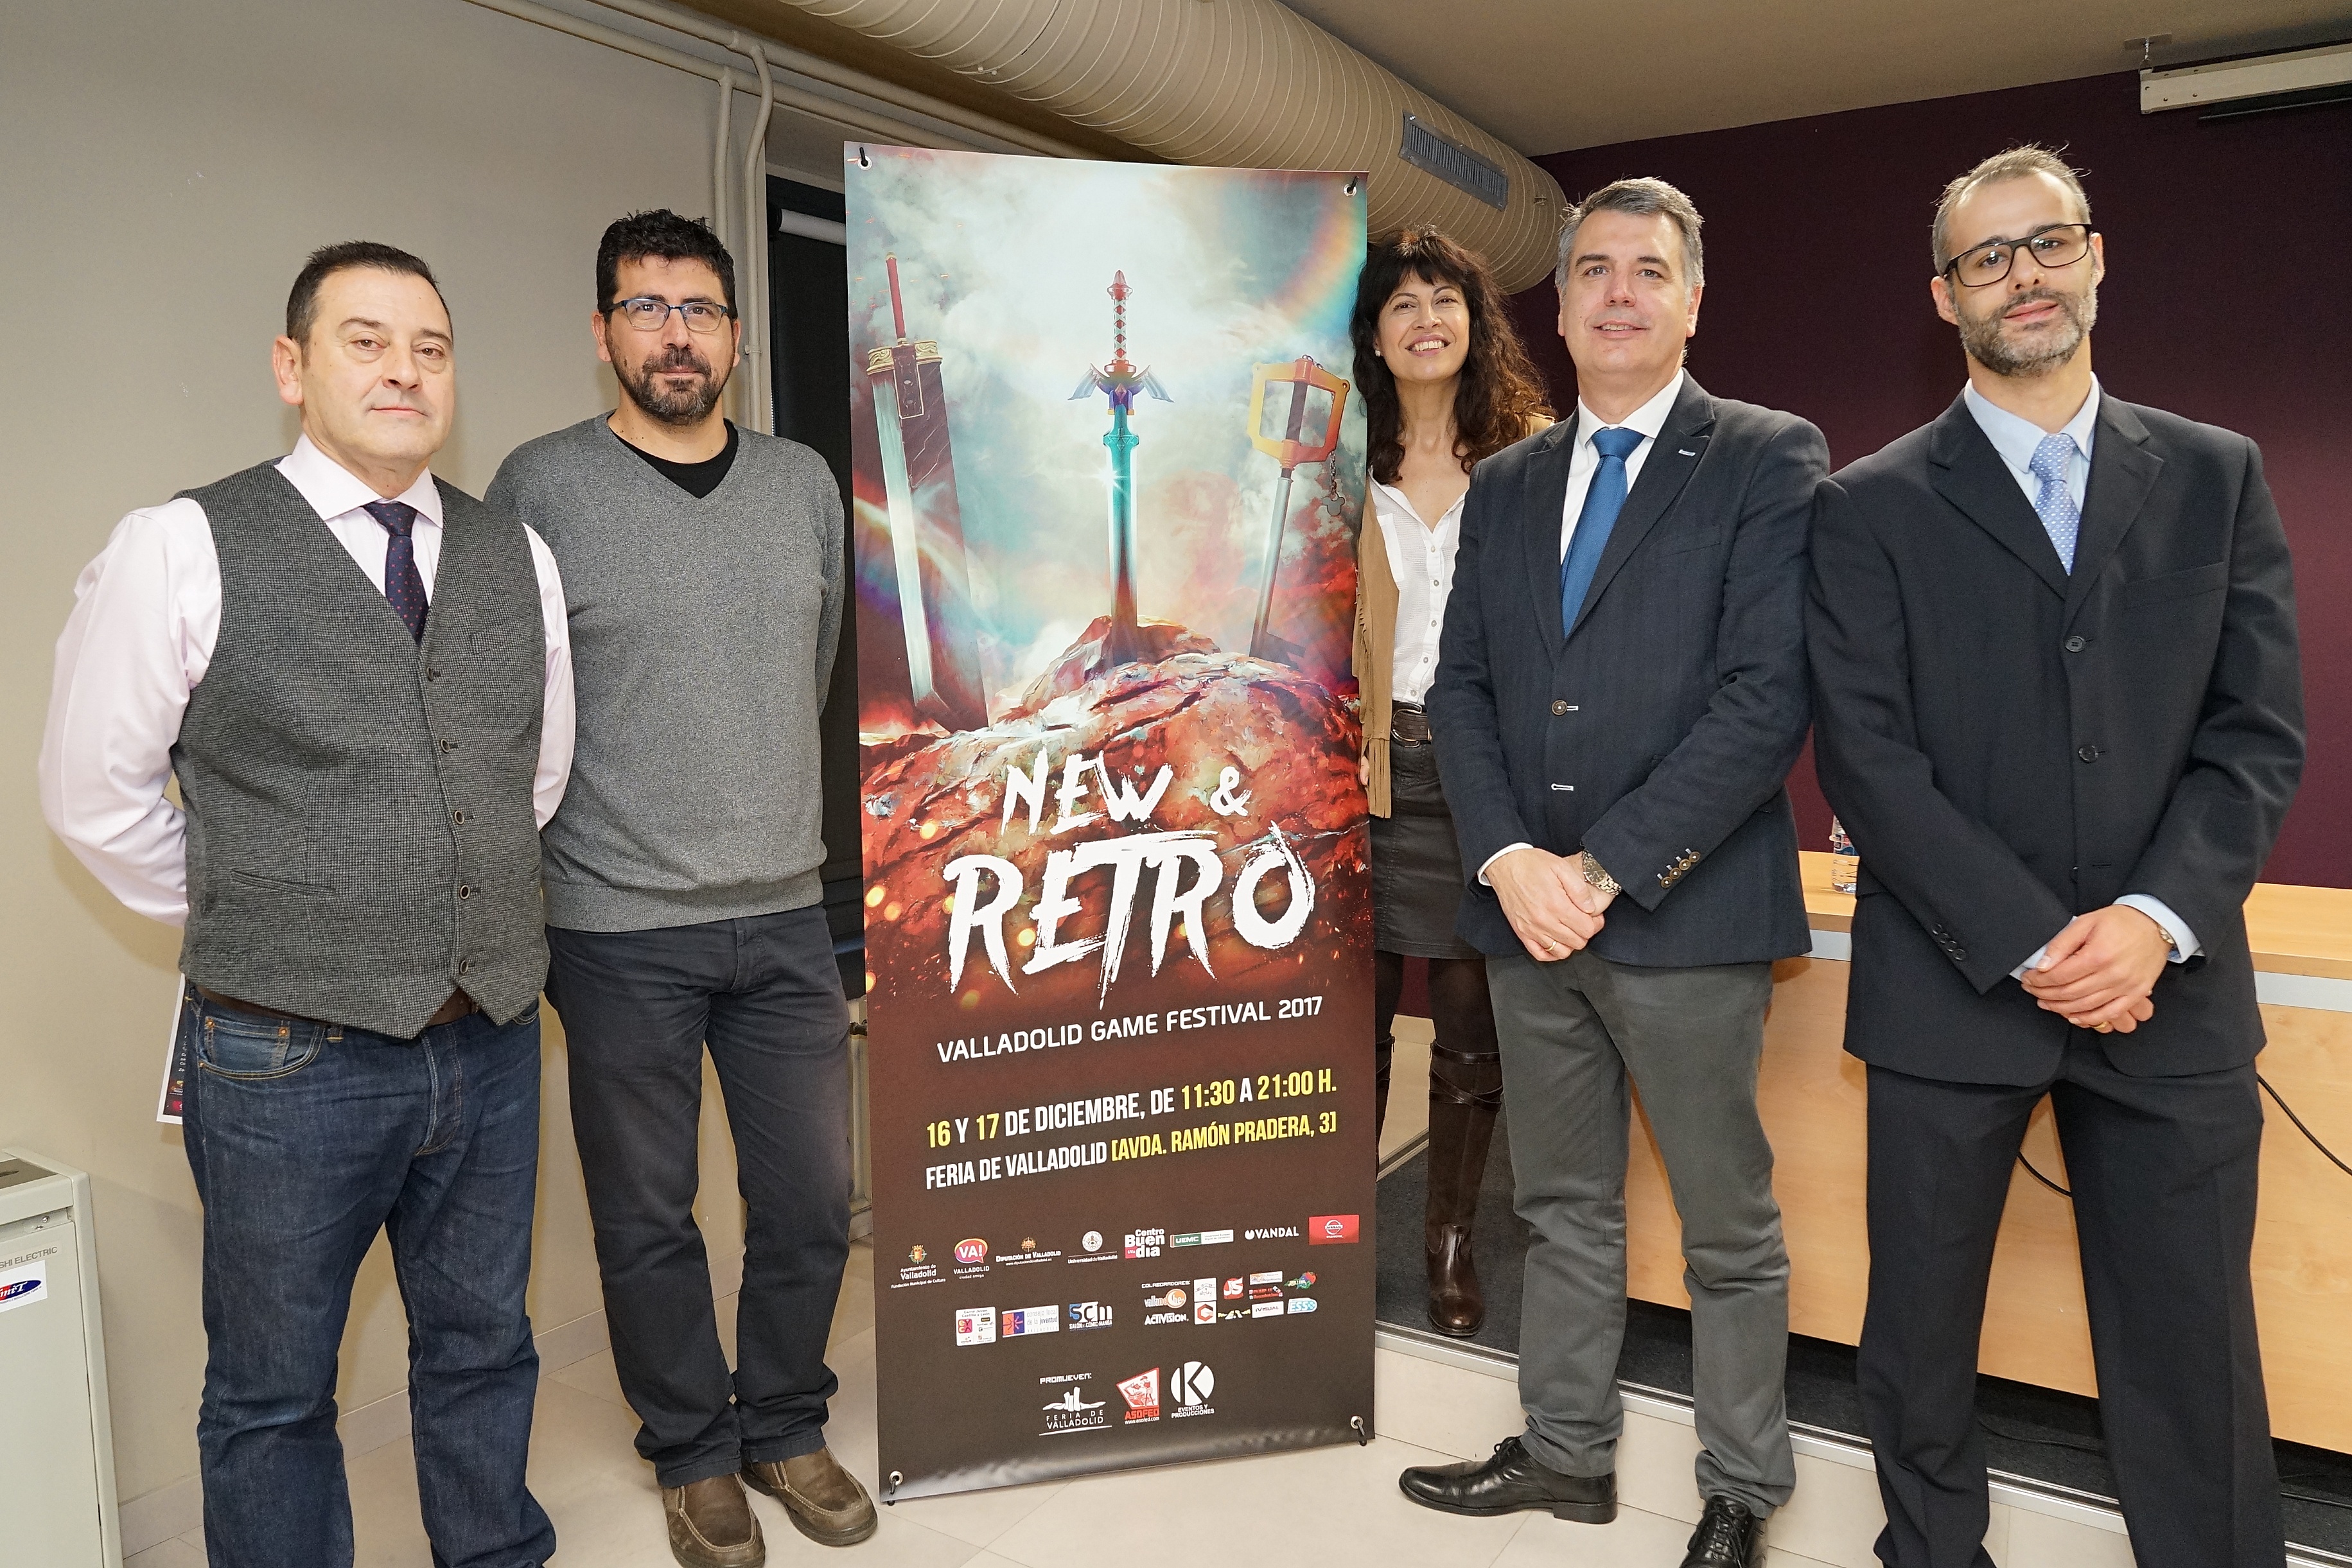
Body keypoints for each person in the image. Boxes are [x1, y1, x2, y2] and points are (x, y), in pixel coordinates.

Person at [39, 243, 575, 1568]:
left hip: (490, 1040)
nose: (405, 371)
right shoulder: (182, 544)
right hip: (284, 1059)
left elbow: (531, 774)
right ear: (292, 367)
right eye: (365, 341)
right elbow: (91, 795)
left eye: (431, 349)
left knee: (485, 1346)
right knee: (273, 1395)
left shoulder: (515, 553)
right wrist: (264, 904)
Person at [1808, 146, 2302, 1568]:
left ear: (2094, 257)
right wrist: (2032, 939)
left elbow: (2255, 733)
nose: (2020, 275)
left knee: (2194, 1347)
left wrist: (2152, 918)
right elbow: (1867, 759)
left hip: (2169, 990)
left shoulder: (2214, 474)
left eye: (2046, 243)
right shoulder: (1866, 504)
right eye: (1985, 257)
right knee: (1920, 1334)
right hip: (1947, 987)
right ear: (1944, 295)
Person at [1406, 178, 1827, 1568]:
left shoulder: (1766, 456)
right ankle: (1565, 1452)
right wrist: (1510, 859)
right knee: (1559, 1208)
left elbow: (1766, 699)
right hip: (1525, 917)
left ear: (1693, 298)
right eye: (1593, 268)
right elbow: (1461, 687)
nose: (1619, 292)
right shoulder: (1509, 482)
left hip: (1684, 914)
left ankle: (1741, 1487)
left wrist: (1600, 869)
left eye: (1649, 269)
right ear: (1564, 299)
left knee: (1726, 1227)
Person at [486, 210, 871, 1565]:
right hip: (614, 925)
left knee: (811, 1199)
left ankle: (784, 1422)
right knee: (648, 1216)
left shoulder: (801, 484)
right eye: (645, 309)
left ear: (736, 338)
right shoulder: (540, 487)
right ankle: (695, 1451)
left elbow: (812, 668)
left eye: (699, 310)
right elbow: (511, 697)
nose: (675, 335)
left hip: (784, 911)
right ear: (602, 333)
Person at [1349, 228, 1552, 1337]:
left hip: (1484, 775)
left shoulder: (1530, 461)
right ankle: (1340, 1237)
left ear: (1475, 325)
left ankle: (1448, 1240)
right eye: (1402, 304)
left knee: (1472, 1036)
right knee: (1355, 1033)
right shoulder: (1336, 468)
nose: (1425, 319)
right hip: (1361, 778)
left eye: (1445, 300)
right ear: (1373, 337)